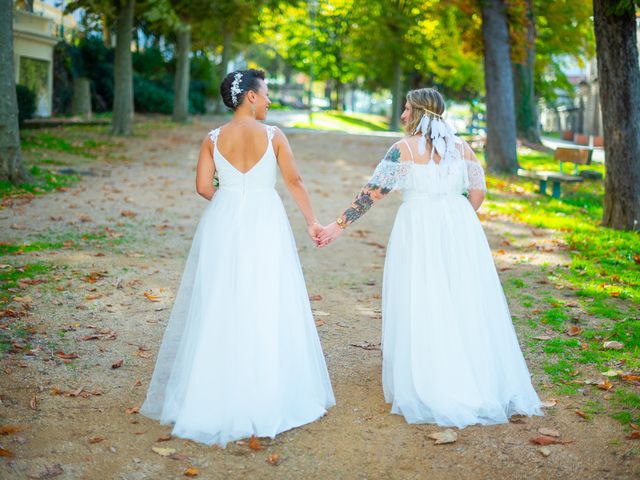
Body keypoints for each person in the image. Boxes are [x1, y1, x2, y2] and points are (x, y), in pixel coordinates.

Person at [317, 88, 542, 427]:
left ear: (420, 113)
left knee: (424, 294)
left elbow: (372, 193)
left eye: (407, 109)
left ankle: (432, 373)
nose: (403, 115)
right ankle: (471, 372)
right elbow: (478, 191)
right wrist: (457, 216)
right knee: (460, 296)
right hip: (460, 228)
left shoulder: (403, 150)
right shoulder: (461, 147)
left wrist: (338, 225)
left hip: (419, 229)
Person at [140, 69, 335, 447]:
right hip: (266, 222)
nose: (269, 101)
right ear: (249, 96)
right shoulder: (274, 135)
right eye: (265, 95)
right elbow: (295, 181)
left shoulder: (211, 139)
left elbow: (201, 186)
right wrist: (312, 221)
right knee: (265, 296)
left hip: (223, 223)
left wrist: (230, 202)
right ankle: (267, 390)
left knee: (221, 299)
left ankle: (212, 392)